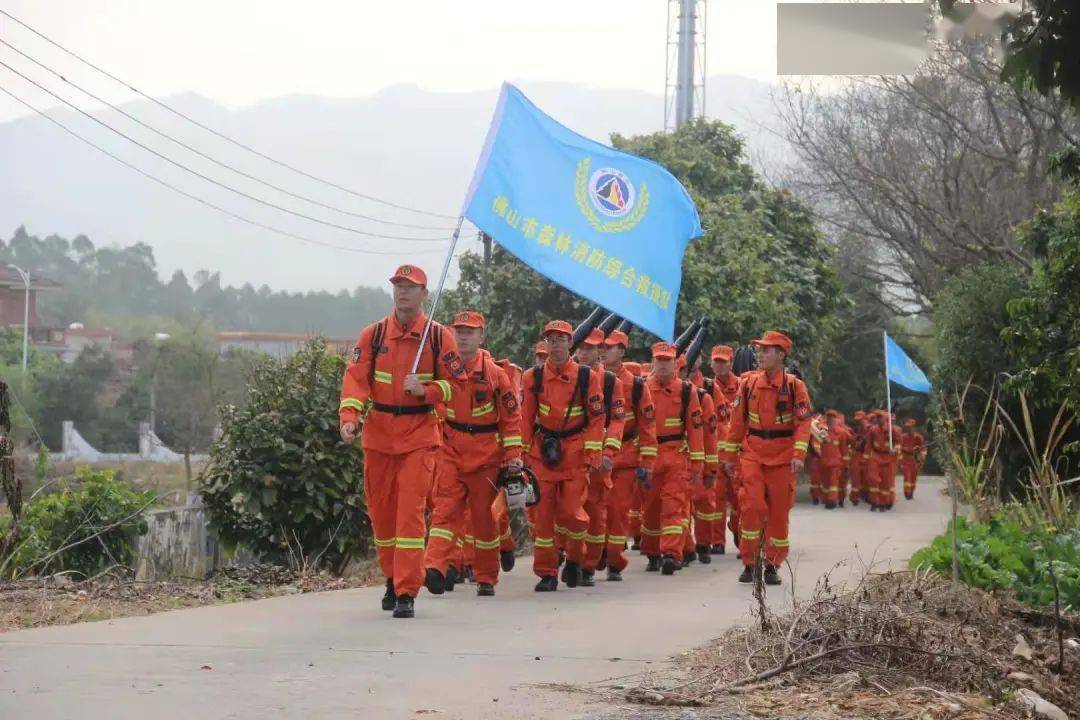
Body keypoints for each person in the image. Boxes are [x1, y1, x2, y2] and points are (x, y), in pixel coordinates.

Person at [338, 264, 467, 618]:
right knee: (382, 517)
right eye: (398, 285)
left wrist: (427, 390)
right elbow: (355, 380)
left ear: (424, 293)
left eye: (410, 286)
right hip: (379, 437)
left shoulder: (439, 338)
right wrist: (349, 418)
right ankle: (392, 578)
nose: (403, 291)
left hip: (418, 437)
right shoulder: (373, 335)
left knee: (409, 515)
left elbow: (458, 386)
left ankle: (407, 591)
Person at [423, 311, 523, 598]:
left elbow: (511, 419)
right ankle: (434, 567)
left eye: (470, 332)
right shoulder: (443, 369)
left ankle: (486, 577)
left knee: (483, 520)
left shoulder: (495, 375)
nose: (464, 337)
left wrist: (513, 456)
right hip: (451, 451)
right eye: (460, 331)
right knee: (444, 512)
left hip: (485, 457)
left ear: (481, 336)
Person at [521, 320, 607, 591]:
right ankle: (546, 572)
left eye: (561, 339)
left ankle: (574, 558)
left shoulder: (586, 377)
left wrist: (592, 451)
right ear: (544, 343)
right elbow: (525, 419)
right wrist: (520, 454)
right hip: (542, 453)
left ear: (571, 343)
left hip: (575, 452)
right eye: (551, 339)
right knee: (542, 516)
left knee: (572, 513)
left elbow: (597, 418)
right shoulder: (532, 377)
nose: (555, 345)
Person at [722, 331, 812, 586]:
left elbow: (803, 424)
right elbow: (736, 424)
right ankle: (750, 563)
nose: (760, 355)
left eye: (766, 350)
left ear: (781, 355)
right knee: (751, 507)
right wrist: (729, 456)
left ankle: (772, 565)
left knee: (778, 513)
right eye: (759, 350)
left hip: (782, 458)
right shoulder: (748, 385)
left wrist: (798, 455)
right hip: (752, 454)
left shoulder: (795, 387)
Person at [567, 328, 625, 587]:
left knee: (594, 512)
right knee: (567, 510)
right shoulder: (568, 376)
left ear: (600, 350)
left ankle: (587, 566)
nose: (584, 352)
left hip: (598, 460)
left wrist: (608, 452)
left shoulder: (611, 383)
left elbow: (617, 422)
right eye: (581, 347)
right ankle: (571, 558)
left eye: (590, 348)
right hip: (569, 456)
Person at [641, 342, 704, 576]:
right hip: (648, 456)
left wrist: (697, 465)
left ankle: (671, 554)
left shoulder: (687, 391)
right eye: (659, 360)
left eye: (668, 360)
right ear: (653, 362)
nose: (663, 364)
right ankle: (652, 552)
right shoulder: (642, 388)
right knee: (650, 509)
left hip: (676, 456)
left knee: (673, 507)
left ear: (675, 363)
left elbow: (695, 431)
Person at [599, 329, 657, 581]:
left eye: (609, 347)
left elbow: (647, 426)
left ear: (621, 351)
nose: (603, 351)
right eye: (601, 346)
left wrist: (647, 462)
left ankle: (614, 560)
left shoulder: (635, 385)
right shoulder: (589, 378)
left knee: (617, 511)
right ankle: (593, 555)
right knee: (594, 510)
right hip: (591, 456)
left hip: (624, 457)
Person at [680, 356, 719, 565]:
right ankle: (685, 548)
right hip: (677, 459)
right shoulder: (657, 390)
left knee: (704, 503)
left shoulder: (704, 395)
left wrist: (710, 469)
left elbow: (710, 436)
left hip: (700, 458)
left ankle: (704, 544)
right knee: (679, 506)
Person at [710, 345, 740, 555]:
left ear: (731, 363)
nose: (720, 366)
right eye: (716, 362)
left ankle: (739, 531)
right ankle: (717, 541)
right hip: (715, 454)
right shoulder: (706, 387)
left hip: (738, 455)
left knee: (740, 498)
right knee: (717, 499)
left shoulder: (743, 387)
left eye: (724, 362)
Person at [869, 410, 902, 511]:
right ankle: (874, 501)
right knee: (873, 478)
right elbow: (869, 443)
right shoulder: (873, 429)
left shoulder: (893, 430)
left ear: (885, 418)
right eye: (877, 417)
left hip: (888, 457)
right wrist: (867, 456)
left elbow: (899, 443)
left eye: (880, 417)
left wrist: (895, 449)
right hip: (876, 455)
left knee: (886, 481)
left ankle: (882, 503)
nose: (878, 419)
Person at [819, 410, 849, 509]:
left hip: (836, 463)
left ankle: (832, 501)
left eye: (832, 417)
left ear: (835, 419)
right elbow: (816, 445)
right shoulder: (821, 431)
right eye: (828, 417)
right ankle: (826, 499)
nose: (830, 419)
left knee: (833, 481)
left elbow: (844, 450)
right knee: (826, 483)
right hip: (824, 462)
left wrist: (846, 464)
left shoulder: (841, 433)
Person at [899, 418, 926, 500]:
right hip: (905, 459)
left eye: (910, 427)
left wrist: (921, 459)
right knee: (907, 476)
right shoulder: (903, 437)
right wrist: (900, 461)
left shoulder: (919, 437)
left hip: (915, 459)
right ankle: (907, 492)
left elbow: (923, 449)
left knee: (913, 477)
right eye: (907, 427)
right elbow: (899, 448)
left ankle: (911, 492)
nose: (908, 429)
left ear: (914, 427)